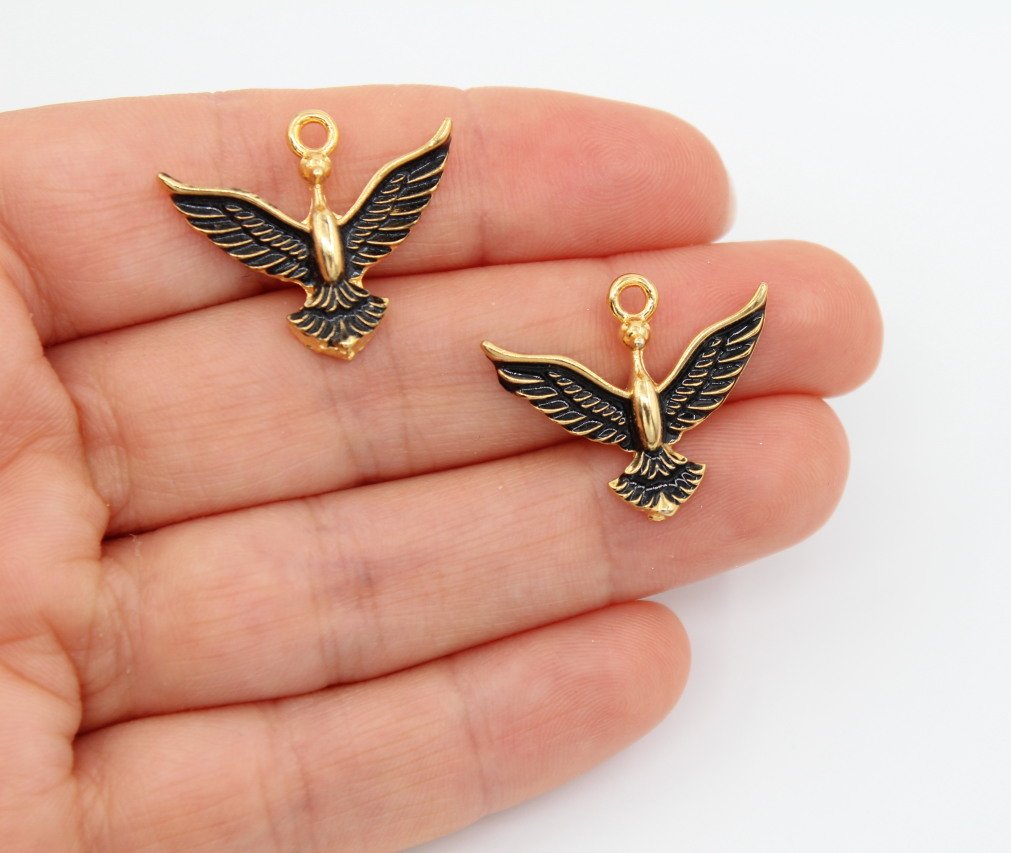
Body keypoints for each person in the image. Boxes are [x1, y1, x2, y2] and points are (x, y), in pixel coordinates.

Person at [0, 86, 881, 850]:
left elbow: (692, 353)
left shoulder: (661, 388)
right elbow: (236, 213)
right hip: (338, 307)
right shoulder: (283, 236)